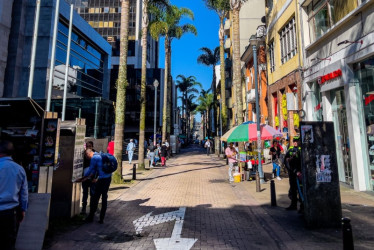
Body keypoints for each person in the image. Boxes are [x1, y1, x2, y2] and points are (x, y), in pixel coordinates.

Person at [0, 140, 28, 249]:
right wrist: (22, 210)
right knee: (8, 242)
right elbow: (24, 194)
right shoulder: (19, 169)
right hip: (10, 213)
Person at [79, 148, 112, 224]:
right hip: (108, 178)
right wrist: (87, 177)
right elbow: (94, 170)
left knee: (94, 198)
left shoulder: (94, 158)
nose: (86, 158)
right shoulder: (100, 154)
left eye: (86, 156)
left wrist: (83, 177)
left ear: (88, 154)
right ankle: (101, 218)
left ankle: (91, 217)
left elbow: (91, 169)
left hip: (101, 180)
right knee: (104, 197)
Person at [285, 137, 303, 211]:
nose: (295, 142)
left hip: (299, 173)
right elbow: (285, 160)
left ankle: (302, 207)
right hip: (292, 173)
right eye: (294, 141)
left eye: (296, 141)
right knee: (293, 189)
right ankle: (293, 205)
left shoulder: (301, 149)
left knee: (300, 190)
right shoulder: (290, 149)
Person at [81, 141, 95, 214]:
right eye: (87, 146)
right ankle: (83, 208)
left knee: (93, 193)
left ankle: (92, 208)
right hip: (85, 177)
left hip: (93, 178)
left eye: (90, 146)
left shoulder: (95, 154)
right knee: (85, 193)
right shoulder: (83, 154)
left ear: (92, 147)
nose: (88, 147)